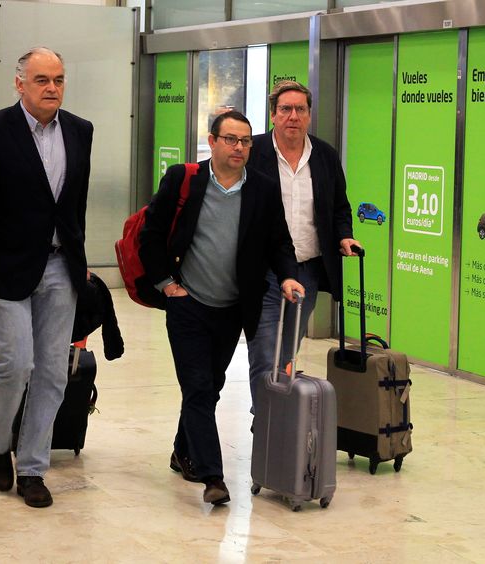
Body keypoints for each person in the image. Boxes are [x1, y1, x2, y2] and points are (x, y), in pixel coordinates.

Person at [139, 110, 304, 506]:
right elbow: (151, 234)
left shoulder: (262, 189)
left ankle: (182, 450)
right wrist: (166, 284)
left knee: (209, 387)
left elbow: (279, 242)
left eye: (245, 141)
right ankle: (212, 475)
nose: (239, 147)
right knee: (197, 387)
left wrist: (288, 276)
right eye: (230, 139)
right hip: (188, 303)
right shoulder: (184, 179)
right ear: (212, 141)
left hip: (232, 308)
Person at [0, 47, 93, 508]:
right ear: (19, 84)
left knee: (54, 372)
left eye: (58, 79)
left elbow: (74, 201)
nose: (52, 88)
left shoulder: (80, 130)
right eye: (41, 80)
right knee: (16, 362)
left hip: (60, 265)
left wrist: (78, 254)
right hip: (5, 269)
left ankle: (34, 466)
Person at [246, 80, 361, 410]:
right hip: (265, 271)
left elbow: (339, 207)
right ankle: (264, 420)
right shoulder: (254, 152)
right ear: (273, 115)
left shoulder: (324, 155)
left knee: (286, 351)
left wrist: (343, 235)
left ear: (309, 115)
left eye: (300, 109)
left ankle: (277, 418)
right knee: (264, 350)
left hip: (306, 269)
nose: (293, 116)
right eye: (285, 109)